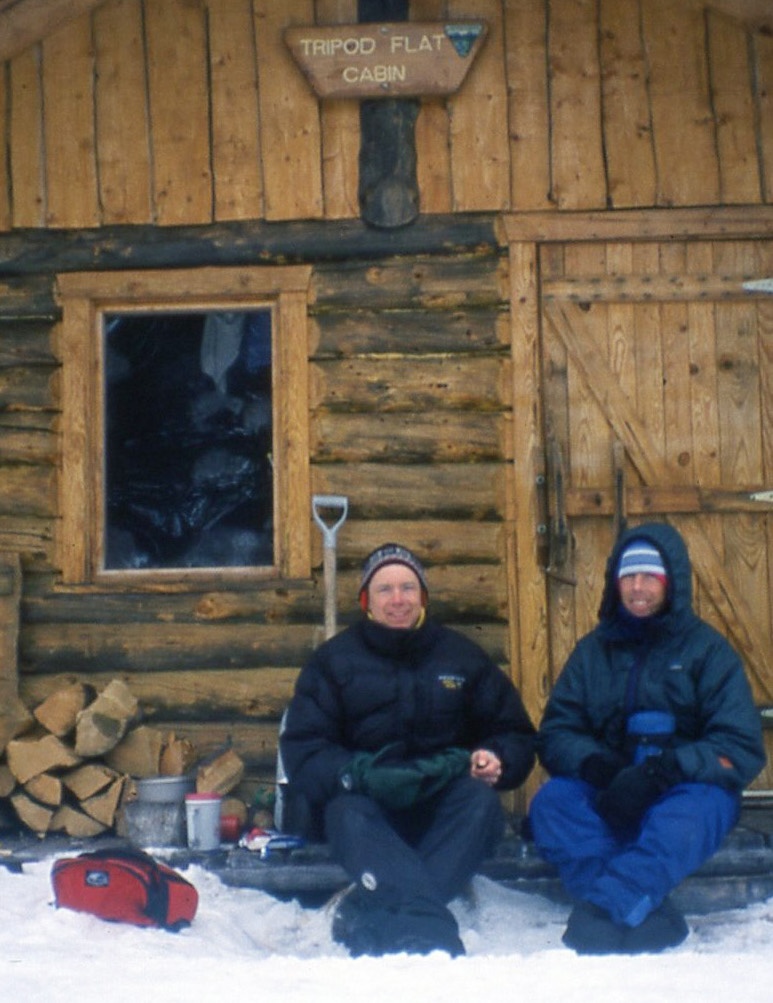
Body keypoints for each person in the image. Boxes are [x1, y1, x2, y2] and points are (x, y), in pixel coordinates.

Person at [280, 542, 536, 957]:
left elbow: (515, 732)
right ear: (366, 600)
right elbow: (304, 750)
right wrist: (355, 773)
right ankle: (426, 924)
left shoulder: (462, 657)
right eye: (384, 589)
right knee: (345, 811)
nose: (397, 599)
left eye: (407, 588)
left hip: (443, 809)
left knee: (480, 803)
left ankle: (374, 912)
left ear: (423, 597)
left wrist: (496, 758)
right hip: (371, 814)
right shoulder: (332, 662)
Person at [528, 522, 765, 955]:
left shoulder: (708, 652)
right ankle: (647, 911)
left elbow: (740, 744)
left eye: (649, 577)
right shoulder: (591, 653)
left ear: (670, 582)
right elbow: (558, 731)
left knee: (695, 814)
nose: (637, 588)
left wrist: (664, 772)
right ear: (615, 582)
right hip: (609, 789)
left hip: (680, 791)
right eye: (628, 577)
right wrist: (599, 768)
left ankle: (603, 906)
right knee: (552, 803)